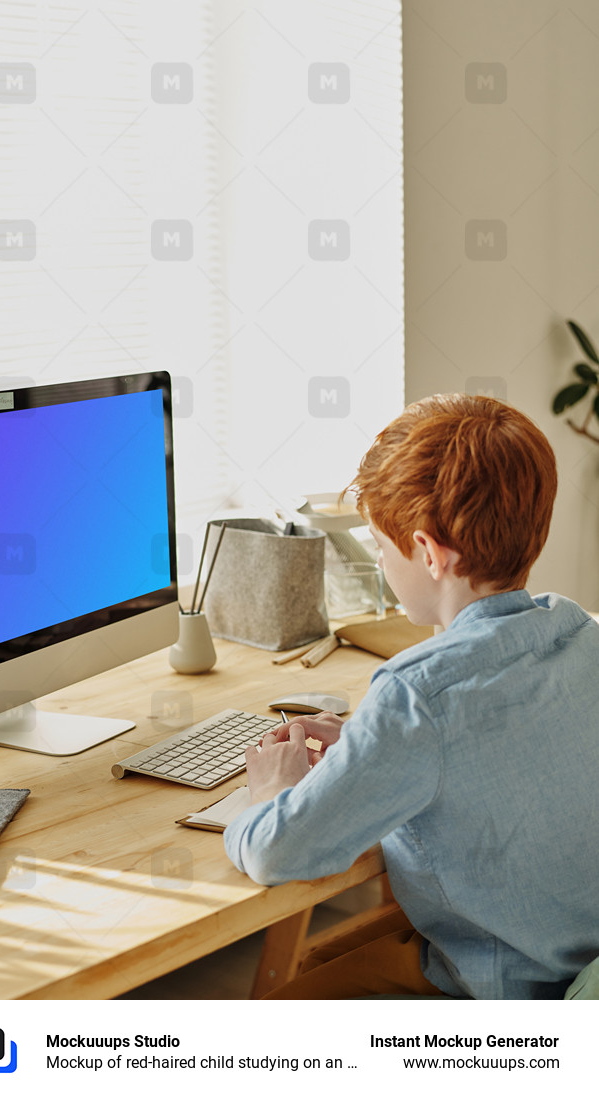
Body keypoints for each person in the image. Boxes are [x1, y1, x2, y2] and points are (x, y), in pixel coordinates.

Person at [224, 393, 599, 999]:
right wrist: (372, 750)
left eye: (379, 542)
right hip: (582, 968)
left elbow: (276, 854)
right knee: (331, 952)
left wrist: (267, 793)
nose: (378, 557)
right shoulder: (583, 634)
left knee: (269, 1012)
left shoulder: (416, 695)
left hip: (509, 996)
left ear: (428, 552)